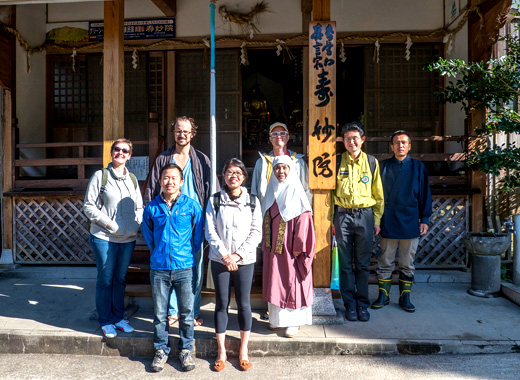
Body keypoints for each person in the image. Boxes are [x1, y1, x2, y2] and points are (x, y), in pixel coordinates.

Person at [144, 116, 217, 327]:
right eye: (178, 131)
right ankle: (173, 311)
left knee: (194, 266)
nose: (182, 134)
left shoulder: (202, 160)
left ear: (192, 134)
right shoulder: (163, 159)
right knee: (168, 269)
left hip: (195, 221)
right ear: (173, 133)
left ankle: (191, 311)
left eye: (186, 131)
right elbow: (151, 190)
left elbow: (213, 190)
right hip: (167, 221)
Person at [142, 163, 203, 372]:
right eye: (166, 178)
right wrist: (158, 252)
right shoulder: (152, 207)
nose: (170, 182)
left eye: (174, 178)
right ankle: (161, 350)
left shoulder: (192, 206)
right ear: (160, 181)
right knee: (160, 313)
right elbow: (148, 236)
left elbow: (198, 236)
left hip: (185, 267)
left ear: (181, 182)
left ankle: (186, 349)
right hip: (159, 268)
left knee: (186, 312)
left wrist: (186, 254)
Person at [205, 158, 262, 372]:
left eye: (238, 172)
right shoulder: (214, 201)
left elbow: (256, 232)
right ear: (223, 176)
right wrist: (225, 255)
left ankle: (243, 350)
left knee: (244, 303)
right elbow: (210, 231)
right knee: (221, 303)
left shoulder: (253, 201)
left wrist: (237, 255)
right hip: (219, 259)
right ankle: (221, 352)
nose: (233, 176)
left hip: (244, 260)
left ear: (244, 177)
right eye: (229, 172)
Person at [84, 138, 143, 338]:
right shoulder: (100, 176)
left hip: (127, 238)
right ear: (111, 152)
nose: (120, 153)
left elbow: (139, 207)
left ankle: (119, 318)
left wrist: (137, 224)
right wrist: (109, 224)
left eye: (125, 150)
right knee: (105, 279)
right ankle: (106, 320)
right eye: (117, 149)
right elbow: (88, 206)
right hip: (104, 237)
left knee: (120, 279)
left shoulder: (132, 179)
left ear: (129, 155)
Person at [371, 130, 432, 313]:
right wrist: (377, 220)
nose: (401, 145)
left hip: (411, 219)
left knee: (407, 262)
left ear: (410, 146)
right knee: (385, 260)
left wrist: (425, 218)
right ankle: (384, 295)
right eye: (397, 142)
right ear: (391, 146)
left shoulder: (418, 167)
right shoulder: (383, 166)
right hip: (388, 218)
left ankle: (405, 297)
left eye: (404, 142)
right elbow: (376, 195)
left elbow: (424, 194)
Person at [333, 122, 384, 323]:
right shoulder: (337, 162)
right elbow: (329, 194)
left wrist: (377, 220)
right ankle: (349, 305)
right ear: (343, 141)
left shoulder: (371, 162)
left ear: (362, 140)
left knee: (362, 264)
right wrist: (330, 221)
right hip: (342, 216)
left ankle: (362, 304)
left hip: (365, 216)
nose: (351, 142)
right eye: (347, 138)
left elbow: (378, 195)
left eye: (355, 138)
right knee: (345, 264)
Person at [262, 155, 315, 338]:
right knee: (275, 281)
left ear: (291, 170)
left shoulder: (296, 192)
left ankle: (293, 322)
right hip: (273, 250)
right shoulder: (272, 191)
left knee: (291, 283)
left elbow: (305, 220)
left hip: (291, 250)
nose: (281, 172)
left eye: (285, 168)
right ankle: (277, 320)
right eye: (277, 168)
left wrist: (298, 247)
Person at [251, 121, 312, 205]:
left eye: (282, 133)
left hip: (293, 212)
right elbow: (254, 191)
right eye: (274, 134)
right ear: (270, 139)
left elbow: (307, 190)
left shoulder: (298, 162)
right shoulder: (262, 163)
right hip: (268, 212)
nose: (279, 136)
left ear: (288, 137)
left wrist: (306, 212)